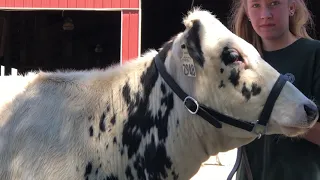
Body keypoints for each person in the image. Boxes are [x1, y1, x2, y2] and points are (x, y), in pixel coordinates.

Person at [227, 0, 320, 180]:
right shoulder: (238, 63)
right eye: (256, 5)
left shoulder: (314, 54)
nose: (265, 15)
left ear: (291, 7)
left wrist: (273, 113)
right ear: (246, 11)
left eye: (274, 3)